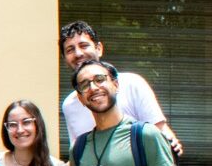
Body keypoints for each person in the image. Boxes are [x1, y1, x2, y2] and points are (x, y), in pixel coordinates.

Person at [58, 21, 181, 153]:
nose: (78, 54)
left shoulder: (133, 83)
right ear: (65, 59)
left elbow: (160, 134)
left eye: (84, 45)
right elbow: (79, 152)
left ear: (99, 48)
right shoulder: (69, 105)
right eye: (70, 50)